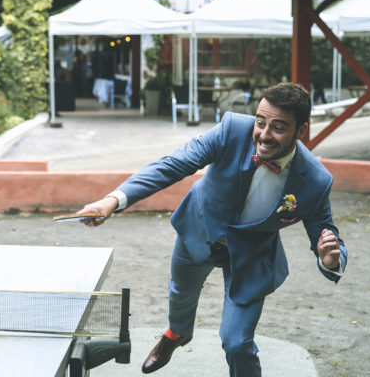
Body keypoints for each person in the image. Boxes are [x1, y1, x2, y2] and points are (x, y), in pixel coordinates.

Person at [76, 82, 347, 376]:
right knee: (181, 291)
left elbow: (325, 233)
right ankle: (177, 333)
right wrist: (112, 200)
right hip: (201, 227)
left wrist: (329, 259)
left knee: (238, 344)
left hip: (252, 254)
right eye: (260, 122)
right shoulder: (231, 130)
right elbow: (174, 164)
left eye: (278, 127)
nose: (264, 135)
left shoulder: (316, 181)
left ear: (301, 130)